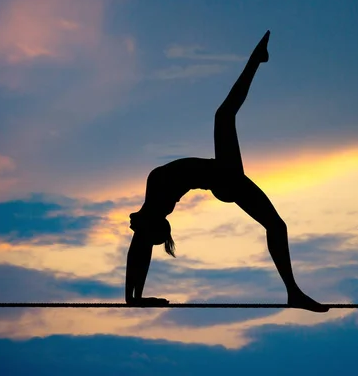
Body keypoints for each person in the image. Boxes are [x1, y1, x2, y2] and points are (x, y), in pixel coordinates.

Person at [125, 30, 329, 312]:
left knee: (277, 225)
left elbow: (140, 247)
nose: (168, 218)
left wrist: (133, 298)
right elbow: (140, 248)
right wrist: (134, 299)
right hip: (224, 177)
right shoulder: (155, 198)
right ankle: (256, 60)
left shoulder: (156, 195)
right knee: (223, 116)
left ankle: (293, 293)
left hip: (222, 176)